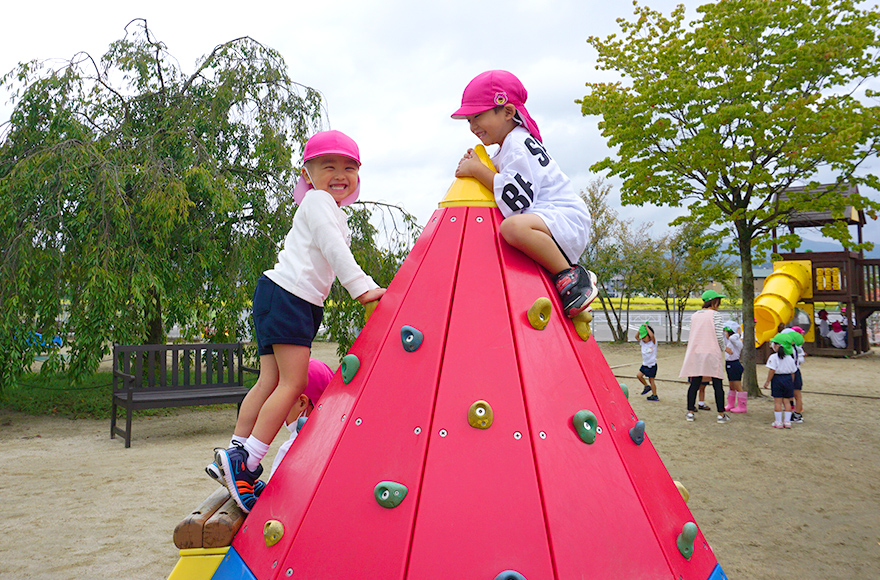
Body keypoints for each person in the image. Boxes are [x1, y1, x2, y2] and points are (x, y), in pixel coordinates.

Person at [210, 130, 386, 513]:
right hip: (292, 296)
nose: (340, 174)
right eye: (329, 166)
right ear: (307, 173)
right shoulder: (320, 203)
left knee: (270, 380)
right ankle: (247, 461)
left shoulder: (327, 207)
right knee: (293, 383)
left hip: (280, 294)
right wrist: (363, 288)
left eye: (349, 167)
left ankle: (235, 451)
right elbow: (333, 248)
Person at [451, 70, 597, 318]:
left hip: (564, 218)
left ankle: (572, 277)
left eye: (478, 116)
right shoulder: (513, 144)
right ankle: (561, 278)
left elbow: (516, 198)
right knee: (512, 228)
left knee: (512, 227)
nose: (473, 125)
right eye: (468, 120)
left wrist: (476, 169)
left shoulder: (516, 145)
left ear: (507, 112)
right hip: (554, 219)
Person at [206, 358, 333, 491]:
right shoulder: (335, 436)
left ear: (302, 403)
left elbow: (275, 502)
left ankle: (236, 460)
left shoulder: (293, 450)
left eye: (281, 397)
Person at [679, 290, 731, 423]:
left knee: (694, 383)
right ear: (713, 302)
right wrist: (723, 348)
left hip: (696, 352)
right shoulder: (716, 315)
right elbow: (720, 336)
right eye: (718, 301)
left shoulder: (695, 315)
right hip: (712, 352)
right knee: (717, 384)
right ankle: (721, 414)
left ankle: (690, 412)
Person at [761, 333, 798, 428]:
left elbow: (772, 370)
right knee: (787, 401)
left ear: (777, 346)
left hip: (777, 379)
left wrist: (767, 381)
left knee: (777, 401)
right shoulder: (790, 358)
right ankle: (787, 421)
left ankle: (778, 422)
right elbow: (793, 372)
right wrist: (791, 382)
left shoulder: (773, 357)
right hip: (788, 379)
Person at [783, 326, 806, 423]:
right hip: (795, 371)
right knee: (793, 394)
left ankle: (797, 414)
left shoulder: (791, 350)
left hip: (792, 372)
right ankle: (794, 411)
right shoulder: (794, 348)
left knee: (796, 394)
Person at [723, 320, 747, 413]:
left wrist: (738, 333)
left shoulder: (736, 341)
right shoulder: (728, 341)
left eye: (726, 332)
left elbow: (733, 338)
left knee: (738, 386)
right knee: (731, 386)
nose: (725, 333)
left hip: (734, 364)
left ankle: (742, 406)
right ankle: (731, 404)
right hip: (729, 364)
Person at [636, 322, 659, 401]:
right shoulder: (642, 343)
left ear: (649, 337)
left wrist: (646, 328)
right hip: (645, 364)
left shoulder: (653, 343)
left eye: (644, 337)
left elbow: (652, 336)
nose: (643, 339)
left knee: (651, 380)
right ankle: (646, 386)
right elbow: (636, 337)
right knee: (639, 375)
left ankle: (654, 395)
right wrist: (640, 330)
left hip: (652, 365)